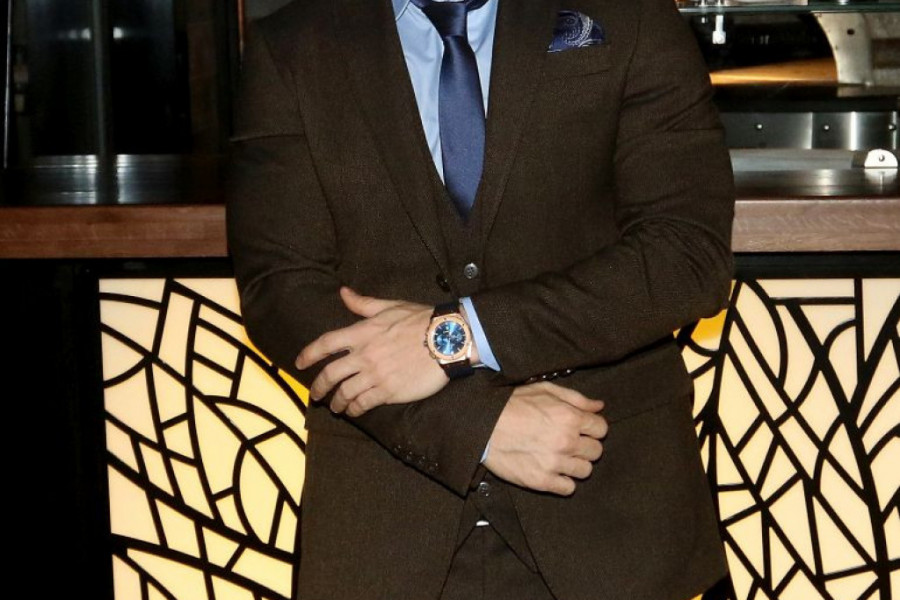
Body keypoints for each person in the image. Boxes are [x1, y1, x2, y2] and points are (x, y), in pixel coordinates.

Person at [226, 0, 735, 598]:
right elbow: (281, 290)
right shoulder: (293, 43)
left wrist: (456, 336)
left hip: (611, 516)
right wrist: (479, 425)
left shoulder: (630, 15)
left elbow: (687, 255)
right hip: (384, 530)